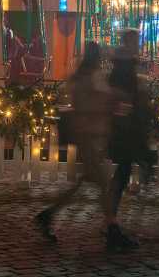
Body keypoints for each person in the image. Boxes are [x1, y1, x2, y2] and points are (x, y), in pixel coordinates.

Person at [36, 42, 136, 251]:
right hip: (88, 136)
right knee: (102, 183)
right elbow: (96, 101)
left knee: (85, 183)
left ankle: (48, 215)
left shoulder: (84, 77)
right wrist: (116, 99)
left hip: (91, 136)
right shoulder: (88, 78)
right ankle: (112, 229)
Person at [106, 30, 144, 245]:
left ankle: (111, 222)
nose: (138, 44)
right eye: (136, 41)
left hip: (123, 124)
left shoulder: (124, 64)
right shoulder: (125, 66)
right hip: (124, 126)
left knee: (121, 173)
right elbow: (123, 94)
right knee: (121, 174)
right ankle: (111, 225)